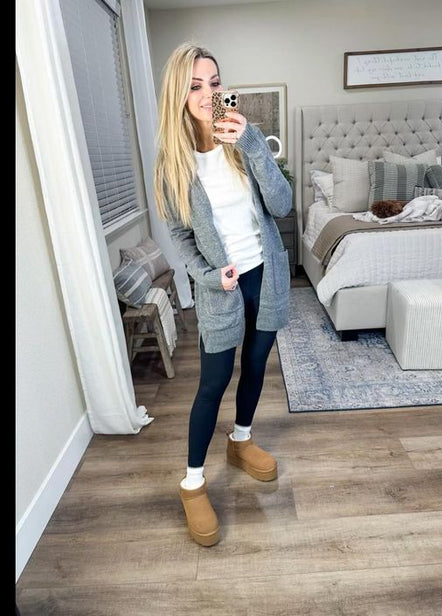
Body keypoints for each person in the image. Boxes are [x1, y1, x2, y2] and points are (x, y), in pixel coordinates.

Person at [154, 42, 292, 546]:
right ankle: (192, 482)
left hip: (266, 274)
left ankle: (241, 440)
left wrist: (253, 142)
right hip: (222, 286)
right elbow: (182, 240)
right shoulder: (171, 165)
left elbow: (282, 205)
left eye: (214, 83)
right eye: (194, 85)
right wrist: (210, 278)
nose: (207, 94)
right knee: (213, 383)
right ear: (178, 94)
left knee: (256, 365)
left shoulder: (240, 140)